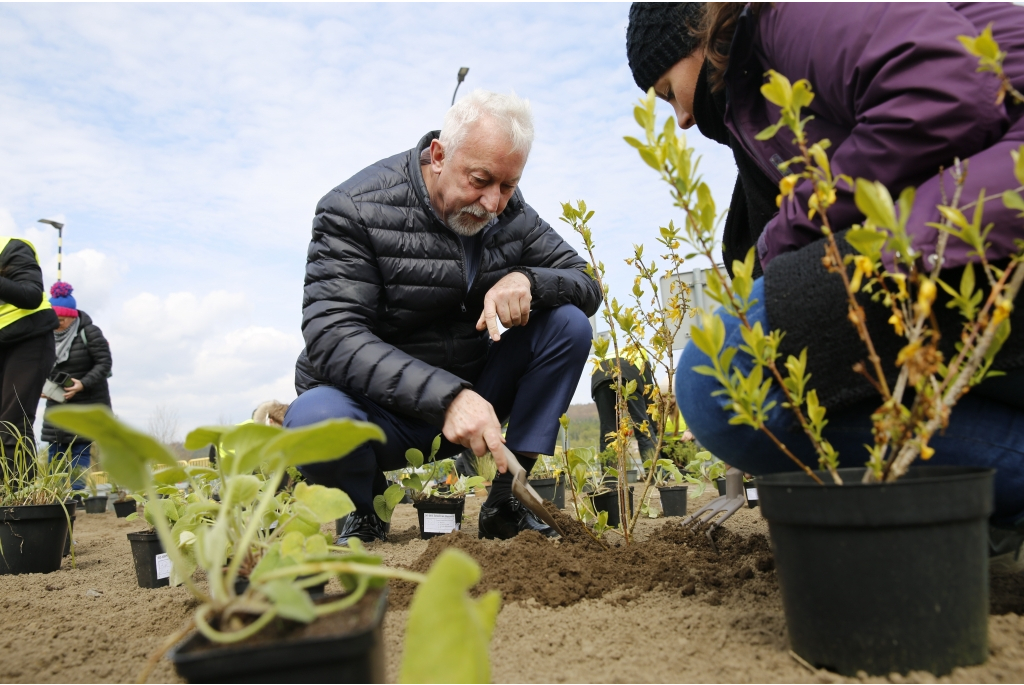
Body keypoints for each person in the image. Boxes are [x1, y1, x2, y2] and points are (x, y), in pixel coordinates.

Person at [626, 3, 1024, 525]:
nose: (680, 118)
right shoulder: (765, 65)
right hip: (976, 224)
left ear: (692, 37)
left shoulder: (791, 12)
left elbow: (948, 89)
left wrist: (791, 232)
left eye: (666, 91)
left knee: (717, 377)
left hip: (989, 222)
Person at [286, 90, 601, 543]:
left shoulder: (511, 215)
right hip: (382, 411)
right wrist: (448, 398)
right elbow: (332, 335)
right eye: (480, 180)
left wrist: (528, 280)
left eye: (507, 186)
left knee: (568, 324)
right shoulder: (354, 209)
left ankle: (507, 497)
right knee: (311, 418)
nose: (493, 203)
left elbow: (585, 280)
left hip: (478, 395)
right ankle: (364, 507)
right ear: (439, 155)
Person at [40, 282, 112, 486]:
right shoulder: (45, 337)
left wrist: (83, 384)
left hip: (86, 403)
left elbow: (104, 364)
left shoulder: (89, 332)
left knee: (80, 450)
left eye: (61, 319)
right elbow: (38, 365)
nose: (57, 323)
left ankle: (77, 495)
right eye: (53, 319)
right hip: (58, 403)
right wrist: (41, 386)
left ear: (72, 316)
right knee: (56, 451)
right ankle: (55, 493)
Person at [0, 237, 58, 464]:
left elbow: (31, 295)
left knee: (11, 424)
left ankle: (19, 496)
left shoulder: (10, 248)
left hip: (29, 340)